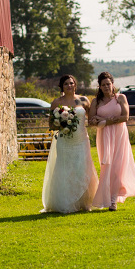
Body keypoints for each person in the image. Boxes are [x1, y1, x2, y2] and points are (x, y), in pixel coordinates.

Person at [41, 74, 98, 213]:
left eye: (71, 83)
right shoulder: (56, 103)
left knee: (82, 168)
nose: (69, 86)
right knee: (65, 169)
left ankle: (84, 203)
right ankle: (66, 202)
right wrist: (62, 123)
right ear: (62, 86)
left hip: (81, 140)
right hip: (65, 142)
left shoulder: (84, 100)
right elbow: (51, 125)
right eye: (66, 84)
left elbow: (91, 120)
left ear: (75, 85)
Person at [89, 72, 135, 211]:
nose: (106, 87)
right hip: (104, 136)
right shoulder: (96, 102)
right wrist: (96, 121)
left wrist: (106, 121)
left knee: (118, 166)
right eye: (103, 85)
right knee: (107, 165)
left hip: (119, 134)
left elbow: (125, 117)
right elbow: (91, 120)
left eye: (108, 84)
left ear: (113, 84)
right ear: (99, 87)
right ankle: (104, 197)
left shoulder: (120, 98)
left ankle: (113, 200)